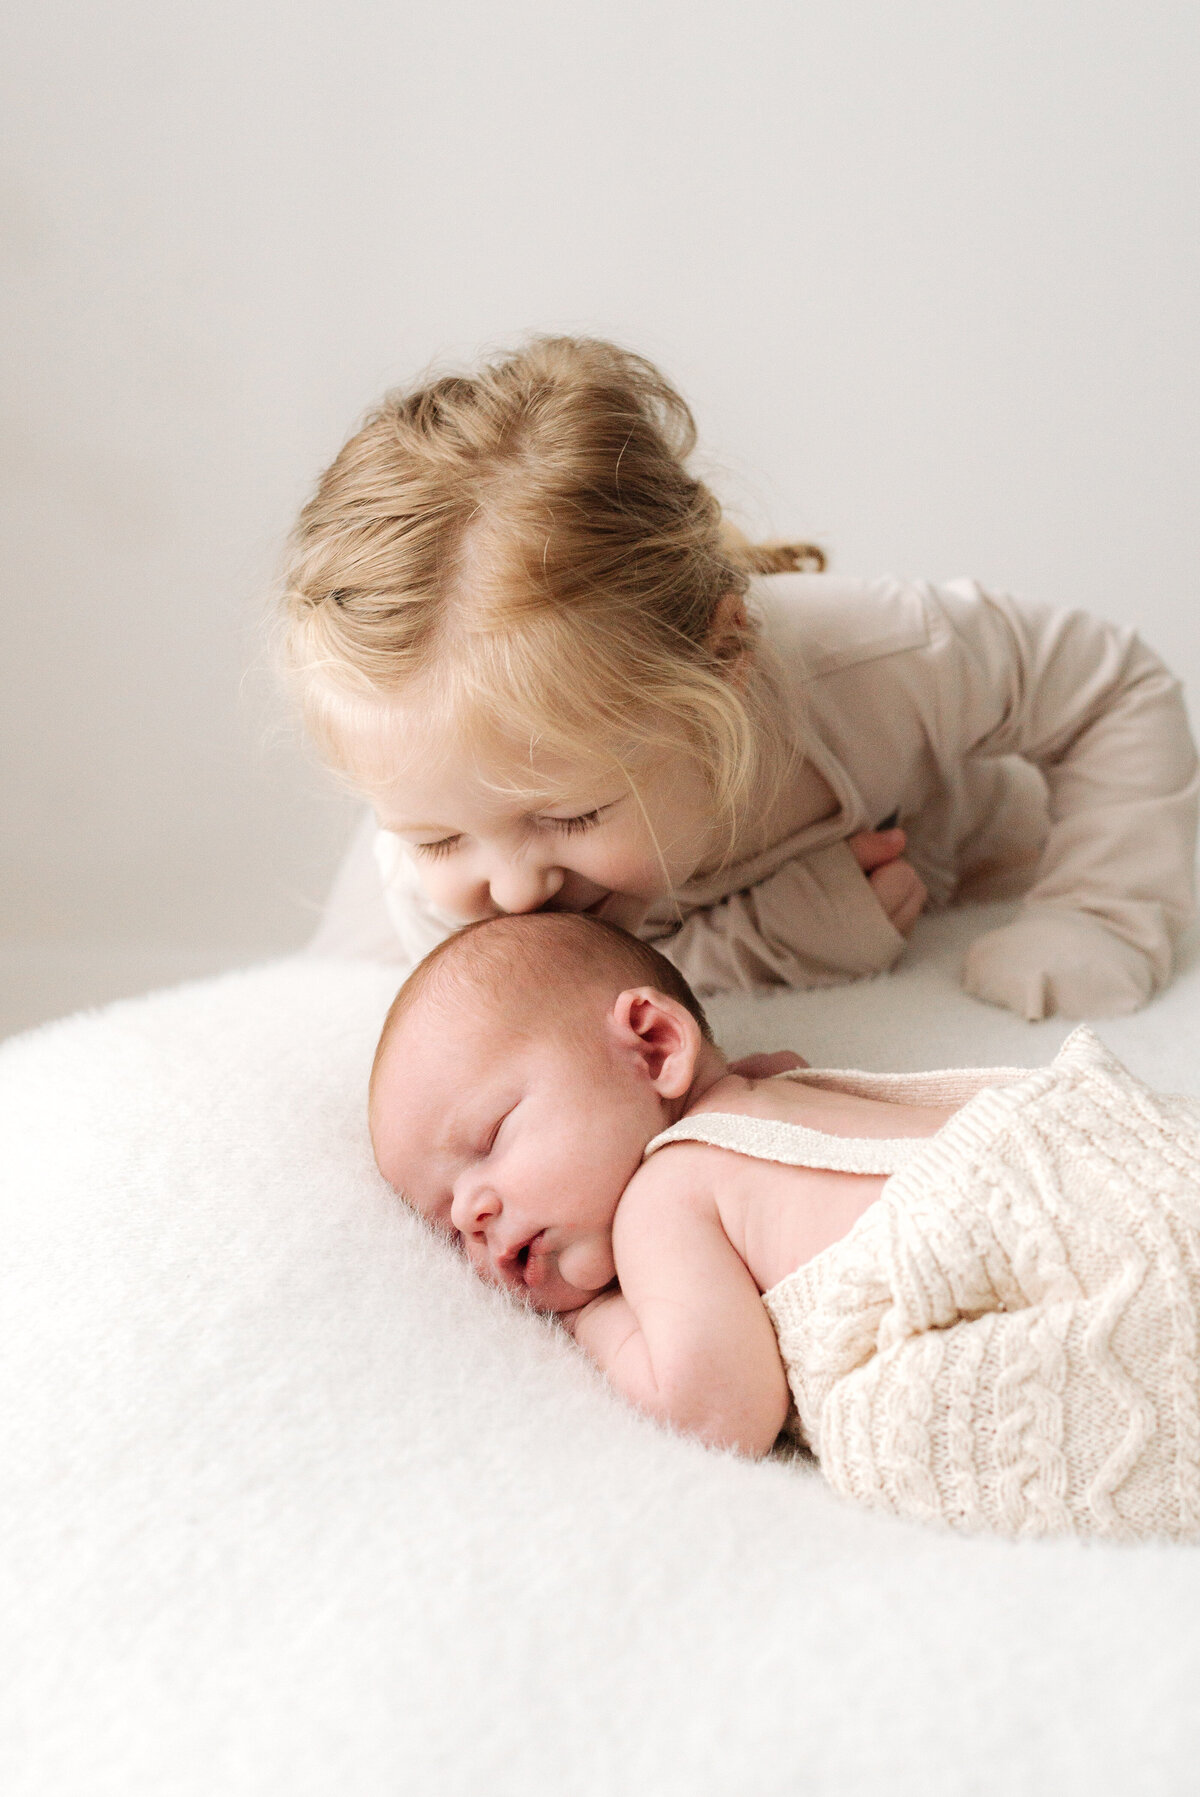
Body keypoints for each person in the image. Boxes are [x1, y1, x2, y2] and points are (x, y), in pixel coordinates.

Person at [282, 335, 1197, 1020]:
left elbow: (1115, 684)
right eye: (439, 837)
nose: (514, 893)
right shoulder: (422, 889)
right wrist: (782, 936)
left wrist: (1102, 917)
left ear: (722, 660)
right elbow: (555, 1022)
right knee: (349, 1004)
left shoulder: (874, 661)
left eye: (567, 816)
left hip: (969, 849)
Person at [369, 912, 1200, 1541]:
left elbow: (714, 1410)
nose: (472, 1214)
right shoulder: (774, 1089)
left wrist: (593, 1316)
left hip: (1031, 1254)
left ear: (655, 1046)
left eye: (490, 1137)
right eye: (445, 1222)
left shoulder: (666, 1196)